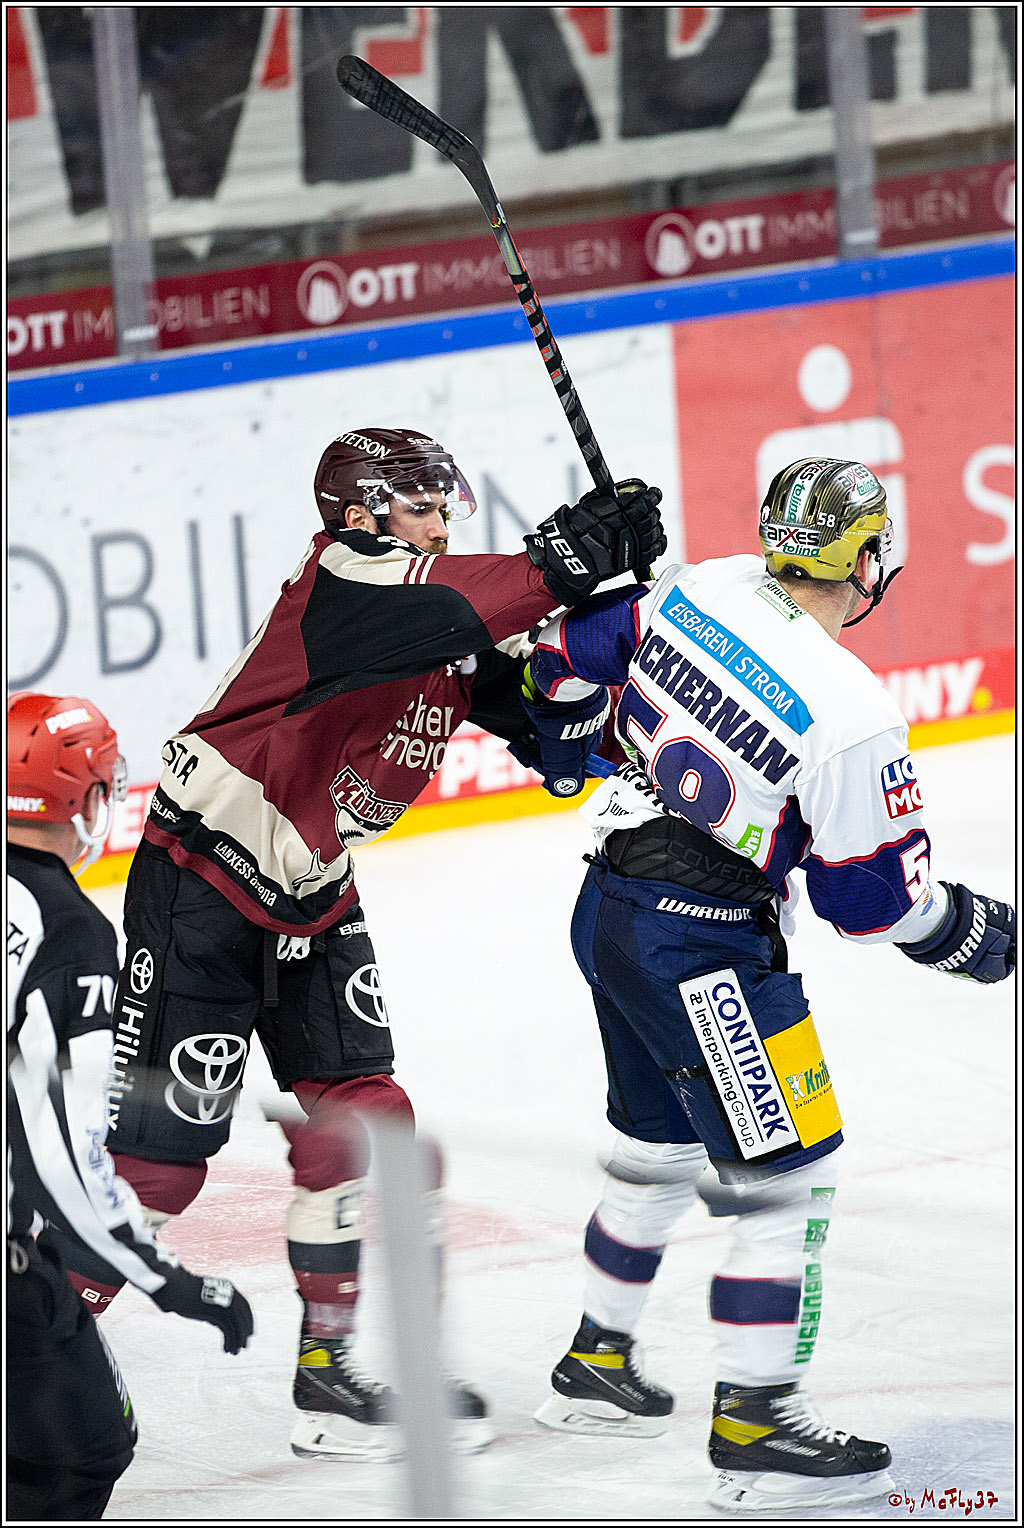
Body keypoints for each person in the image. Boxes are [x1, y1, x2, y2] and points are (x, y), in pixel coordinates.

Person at [43, 426, 666, 1462]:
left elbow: (564, 743)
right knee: (158, 1172)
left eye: (444, 500)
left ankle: (328, 1379)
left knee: (362, 1123)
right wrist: (566, 562)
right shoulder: (348, 579)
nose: (441, 516)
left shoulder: (444, 614)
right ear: (362, 510)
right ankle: (31, 1365)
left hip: (313, 891)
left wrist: (597, 638)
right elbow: (477, 597)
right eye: (421, 501)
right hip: (200, 888)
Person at [516, 457, 1015, 1513]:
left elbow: (562, 656)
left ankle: (598, 1360)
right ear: (867, 559)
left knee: (656, 1141)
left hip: (605, 908)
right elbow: (870, 905)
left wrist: (567, 728)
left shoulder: (704, 582)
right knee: (786, 1178)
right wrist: (978, 934)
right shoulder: (850, 709)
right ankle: (753, 1426)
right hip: (701, 950)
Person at [6, 692, 254, 1523]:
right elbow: (63, 1159)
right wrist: (170, 1281)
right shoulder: (70, 934)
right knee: (82, 1457)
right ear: (79, 795)